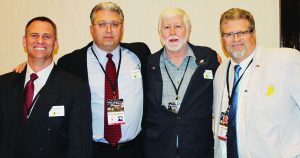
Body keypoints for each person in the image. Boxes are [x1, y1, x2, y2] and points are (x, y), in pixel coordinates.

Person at [57, 2, 150, 158]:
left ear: (122, 28)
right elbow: (51, 81)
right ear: (91, 29)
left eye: (114, 24)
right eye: (102, 24)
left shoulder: (139, 54)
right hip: (93, 151)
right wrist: (31, 65)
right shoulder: (70, 63)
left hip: (135, 150)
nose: (108, 30)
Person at [213, 8, 300, 158]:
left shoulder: (285, 60)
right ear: (222, 38)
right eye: (229, 34)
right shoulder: (221, 71)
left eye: (242, 33)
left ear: (253, 33)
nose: (235, 39)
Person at [0, 16, 92, 158]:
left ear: (55, 44)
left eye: (47, 36)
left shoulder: (75, 88)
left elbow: (80, 148)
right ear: (25, 41)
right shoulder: (4, 84)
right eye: (34, 35)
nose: (40, 41)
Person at [144, 8, 219, 158]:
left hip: (198, 148)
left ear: (188, 29)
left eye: (178, 26)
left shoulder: (208, 58)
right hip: (159, 149)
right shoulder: (148, 63)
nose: (172, 32)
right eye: (166, 27)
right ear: (160, 32)